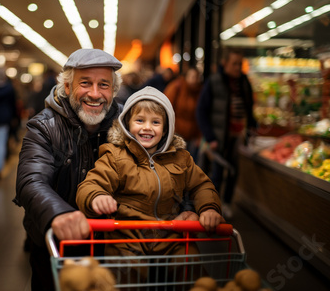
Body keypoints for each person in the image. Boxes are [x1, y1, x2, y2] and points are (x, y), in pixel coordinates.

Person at [76, 86, 223, 285]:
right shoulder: (115, 156)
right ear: (127, 124)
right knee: (126, 273)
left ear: (166, 129)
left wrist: (209, 208)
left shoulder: (181, 158)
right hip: (127, 240)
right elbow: (92, 183)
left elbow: (201, 185)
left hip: (171, 236)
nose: (147, 127)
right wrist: (96, 196)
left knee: (190, 267)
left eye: (155, 122)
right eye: (140, 120)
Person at [13, 48, 123, 291]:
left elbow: (165, 164)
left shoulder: (126, 124)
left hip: (114, 244)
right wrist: (58, 214)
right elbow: (31, 180)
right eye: (85, 83)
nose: (95, 94)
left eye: (103, 85)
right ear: (67, 87)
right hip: (58, 246)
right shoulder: (43, 127)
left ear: (113, 90)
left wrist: (188, 206)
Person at [196, 48, 257, 219]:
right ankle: (212, 207)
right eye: (234, 64)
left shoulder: (244, 81)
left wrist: (252, 125)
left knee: (233, 171)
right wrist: (210, 137)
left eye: (240, 64)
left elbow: (249, 105)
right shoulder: (214, 82)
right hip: (218, 137)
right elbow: (201, 110)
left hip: (237, 136)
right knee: (216, 173)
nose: (238, 67)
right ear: (225, 64)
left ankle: (227, 203)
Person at [164, 67, 202, 160]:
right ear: (186, 77)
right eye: (192, 76)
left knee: (190, 161)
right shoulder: (177, 87)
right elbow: (166, 109)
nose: (194, 80)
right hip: (177, 131)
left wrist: (199, 135)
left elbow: (201, 114)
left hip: (192, 134)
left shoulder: (200, 91)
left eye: (197, 77)